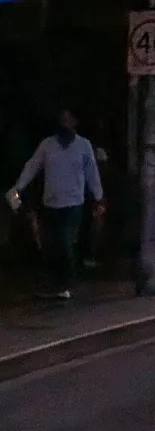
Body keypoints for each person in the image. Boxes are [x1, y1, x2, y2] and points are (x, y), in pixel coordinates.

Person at [8, 109, 104, 300]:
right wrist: (18, 187)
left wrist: (99, 196)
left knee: (65, 242)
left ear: (75, 123)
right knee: (51, 245)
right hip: (51, 203)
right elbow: (32, 166)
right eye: (62, 121)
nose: (65, 125)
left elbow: (92, 173)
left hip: (73, 203)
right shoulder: (48, 145)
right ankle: (55, 281)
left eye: (69, 121)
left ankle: (67, 281)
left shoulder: (83, 146)